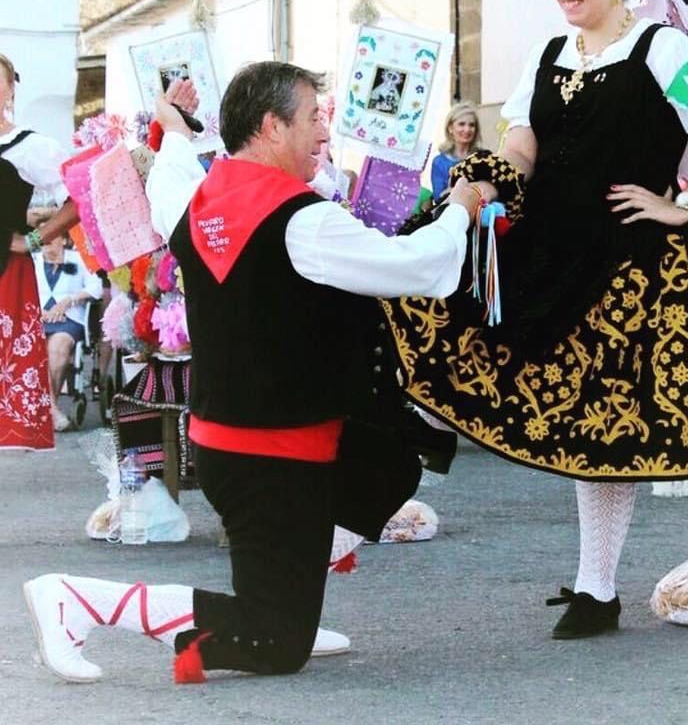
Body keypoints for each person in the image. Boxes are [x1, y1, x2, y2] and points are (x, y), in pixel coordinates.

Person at [24, 63, 478, 685]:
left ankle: (282, 595)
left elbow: (175, 168)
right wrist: (461, 210)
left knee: (387, 469)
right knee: (277, 644)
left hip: (232, 444)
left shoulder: (196, 197)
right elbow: (421, 266)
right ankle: (79, 600)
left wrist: (172, 125)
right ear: (271, 127)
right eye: (314, 117)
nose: (324, 131)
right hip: (277, 457)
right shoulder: (306, 222)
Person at [384, 0, 688, 639]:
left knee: (607, 425)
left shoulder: (664, 46)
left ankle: (597, 589)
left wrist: (682, 207)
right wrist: (489, 184)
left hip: (629, 262)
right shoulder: (548, 53)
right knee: (445, 314)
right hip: (550, 243)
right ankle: (425, 432)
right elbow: (523, 142)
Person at [0, 54, 80, 450]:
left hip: (6, 275)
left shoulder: (30, 147)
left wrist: (34, 239)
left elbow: (79, 198)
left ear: (11, 88)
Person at [33, 236, 103, 430]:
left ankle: (47, 408)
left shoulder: (78, 258)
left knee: (58, 347)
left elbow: (96, 287)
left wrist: (69, 300)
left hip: (69, 319)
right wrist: (38, 312)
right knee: (34, 349)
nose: (45, 244)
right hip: (37, 317)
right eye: (42, 241)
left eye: (50, 239)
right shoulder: (33, 261)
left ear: (63, 240)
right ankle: (51, 409)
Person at [430, 101, 484, 202]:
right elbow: (438, 197)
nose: (467, 129)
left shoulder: (483, 157)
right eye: (461, 124)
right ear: (450, 128)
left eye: (471, 125)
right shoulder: (439, 162)